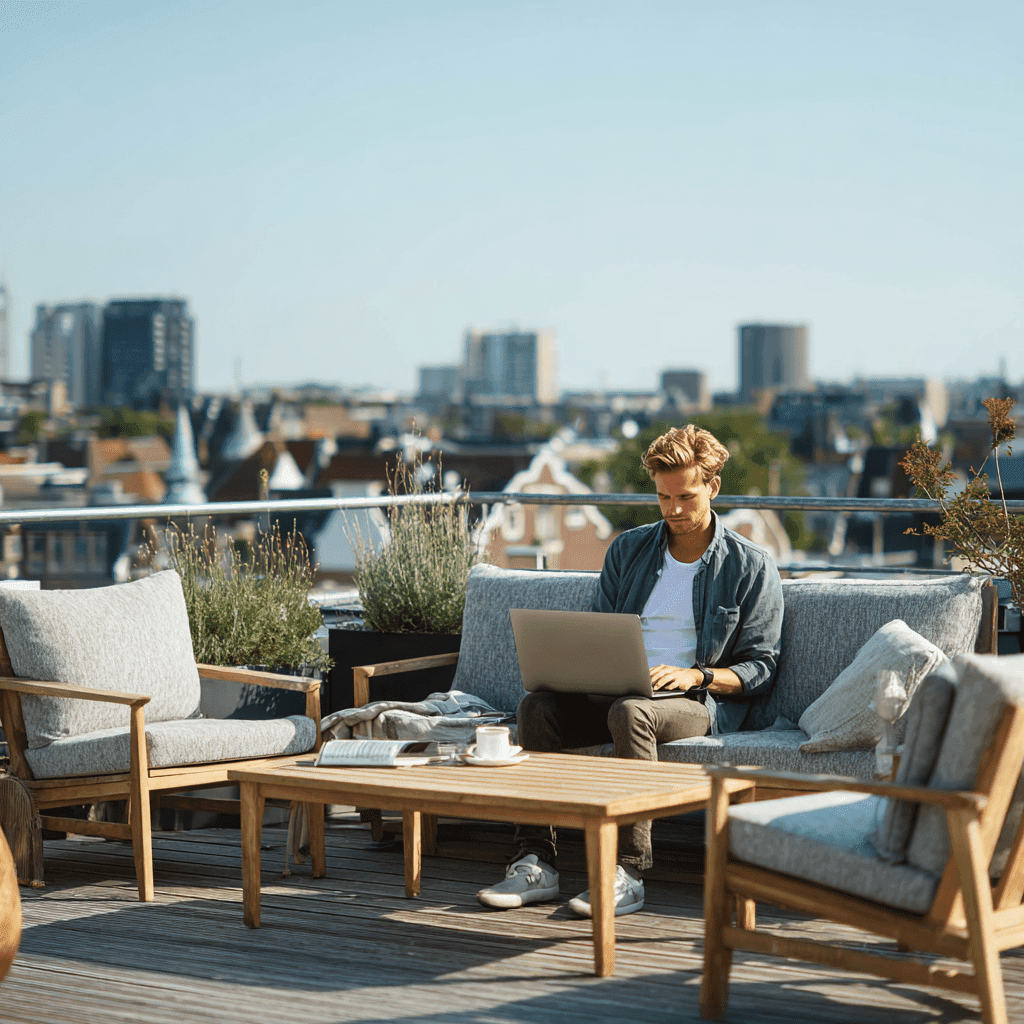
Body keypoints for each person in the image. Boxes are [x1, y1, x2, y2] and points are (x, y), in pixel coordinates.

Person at [476, 424, 784, 917]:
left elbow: (761, 667)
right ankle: (536, 862)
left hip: (696, 702)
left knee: (631, 713)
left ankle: (629, 871)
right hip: (621, 690)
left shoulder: (749, 566)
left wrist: (696, 676)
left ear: (713, 487)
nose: (674, 509)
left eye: (686, 496)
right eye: (663, 497)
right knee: (537, 706)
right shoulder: (628, 550)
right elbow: (600, 634)